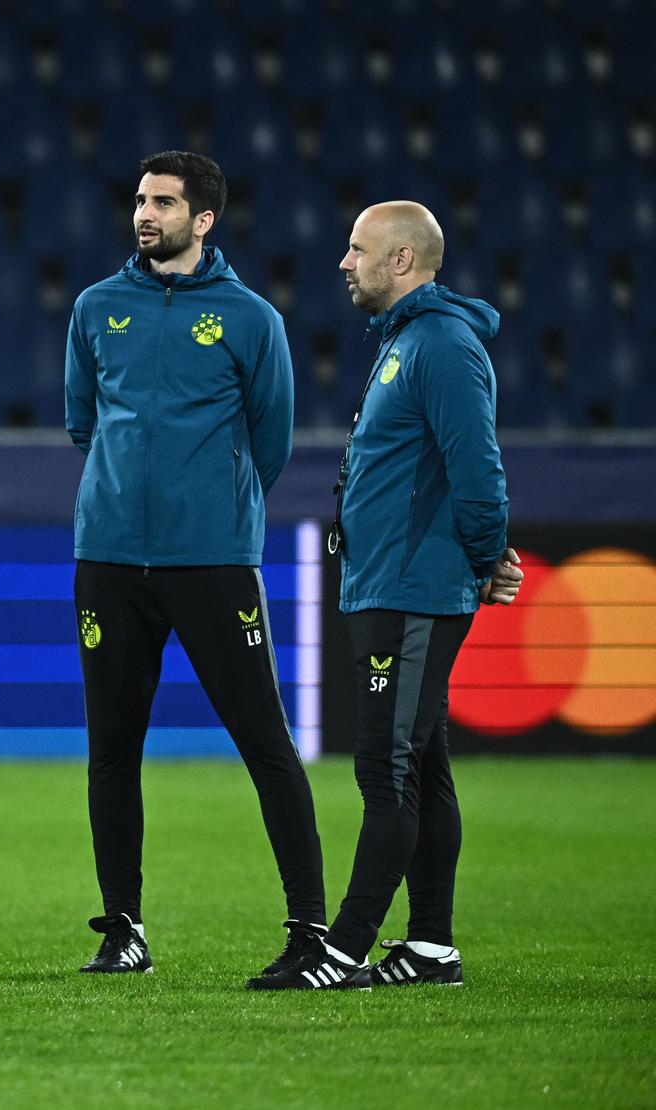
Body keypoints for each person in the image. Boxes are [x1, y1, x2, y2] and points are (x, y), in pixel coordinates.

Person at [64, 151, 328, 979]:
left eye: (164, 203)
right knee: (112, 751)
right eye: (140, 199)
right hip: (107, 559)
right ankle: (123, 930)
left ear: (203, 219)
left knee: (265, 743)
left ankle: (309, 930)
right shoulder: (95, 306)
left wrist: (210, 506)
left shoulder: (251, 319)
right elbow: (84, 421)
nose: (145, 214)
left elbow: (271, 441)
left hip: (212, 563)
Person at [250, 201, 522, 991]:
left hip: (414, 591)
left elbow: (478, 467)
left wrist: (485, 554)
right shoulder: (407, 341)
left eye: (357, 248)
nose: (343, 261)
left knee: (386, 770)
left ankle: (344, 949)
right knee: (422, 767)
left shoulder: (440, 344)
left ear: (402, 260)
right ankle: (431, 947)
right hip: (388, 585)